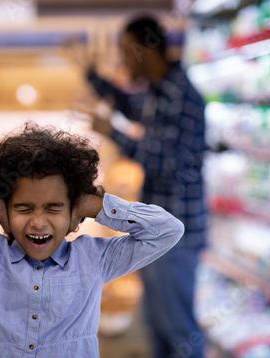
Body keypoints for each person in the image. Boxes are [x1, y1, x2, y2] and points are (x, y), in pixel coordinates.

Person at [0, 124, 185, 357]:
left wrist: (96, 206)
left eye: (53, 208)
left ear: (75, 215)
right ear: (5, 210)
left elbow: (168, 230)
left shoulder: (95, 259)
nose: (38, 222)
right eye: (23, 208)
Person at [78, 16, 208, 358]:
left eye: (124, 51)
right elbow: (131, 106)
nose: (121, 61)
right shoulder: (160, 90)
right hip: (162, 228)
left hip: (177, 231)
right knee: (159, 324)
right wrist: (92, 76)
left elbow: (168, 161)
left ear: (144, 50)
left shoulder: (180, 95)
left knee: (177, 327)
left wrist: (113, 132)